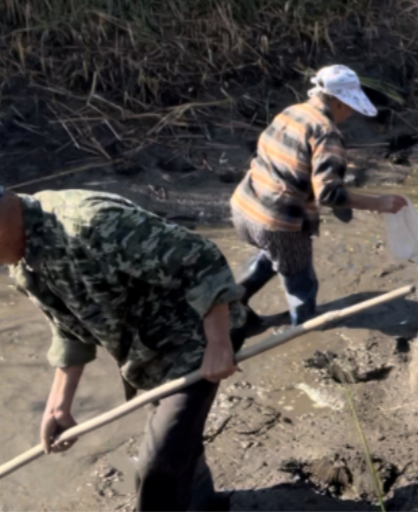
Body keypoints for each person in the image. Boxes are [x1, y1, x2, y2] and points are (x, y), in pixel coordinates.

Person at [0, 186, 244, 511]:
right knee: (176, 442)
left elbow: (200, 258)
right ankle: (204, 504)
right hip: (143, 355)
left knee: (157, 468)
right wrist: (59, 406)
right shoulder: (25, 263)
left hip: (196, 339)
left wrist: (218, 343)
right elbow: (69, 328)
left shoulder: (91, 223)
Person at [231, 64, 407, 328]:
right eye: (349, 105)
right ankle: (303, 326)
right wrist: (378, 203)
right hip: (280, 222)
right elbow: (328, 193)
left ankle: (229, 308)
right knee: (301, 281)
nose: (350, 112)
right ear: (337, 101)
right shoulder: (327, 133)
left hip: (245, 208)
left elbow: (291, 167)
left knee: (271, 256)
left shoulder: (291, 112)